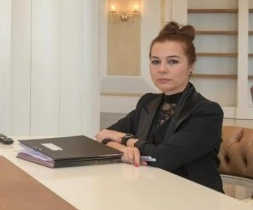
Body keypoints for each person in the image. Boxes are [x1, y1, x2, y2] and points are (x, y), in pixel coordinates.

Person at [95, 21, 224, 192]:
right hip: (151, 194)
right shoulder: (148, 102)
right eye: (155, 62)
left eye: (173, 61)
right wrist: (125, 149)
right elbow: (102, 137)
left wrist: (125, 139)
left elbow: (162, 158)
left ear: (191, 66)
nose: (162, 69)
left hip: (196, 199)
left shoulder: (207, 112)